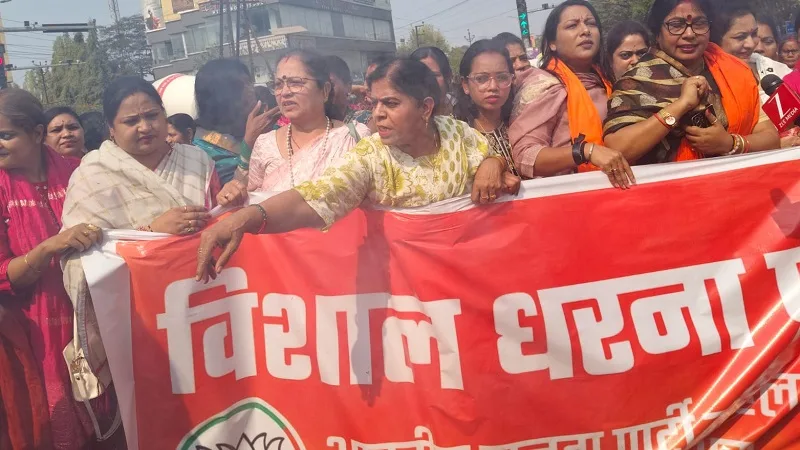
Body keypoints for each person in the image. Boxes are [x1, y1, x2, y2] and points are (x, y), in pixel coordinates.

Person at [195, 58, 521, 281]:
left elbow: (492, 158)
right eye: (374, 103)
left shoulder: (457, 133)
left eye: (390, 103)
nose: (377, 114)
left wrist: (493, 164)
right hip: (410, 293)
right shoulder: (371, 155)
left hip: (473, 277)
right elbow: (315, 196)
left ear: (425, 108)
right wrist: (246, 218)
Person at [60, 77, 221, 438]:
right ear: (111, 128)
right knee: (156, 415)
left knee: (214, 402)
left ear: (165, 115)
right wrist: (150, 231)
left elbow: (218, 218)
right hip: (139, 321)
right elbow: (78, 254)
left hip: (205, 303)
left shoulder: (196, 160)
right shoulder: (92, 176)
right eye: (131, 121)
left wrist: (234, 201)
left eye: (152, 116)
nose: (145, 127)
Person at [0, 89, 107, 449]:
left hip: (94, 314)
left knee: (110, 414)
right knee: (51, 421)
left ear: (36, 133)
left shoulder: (82, 173)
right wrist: (48, 247)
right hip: (32, 331)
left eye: (5, 135)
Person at [604, 0, 779, 165]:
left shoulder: (733, 70)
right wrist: (681, 106)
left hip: (736, 182)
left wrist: (730, 144)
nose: (689, 34)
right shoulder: (637, 81)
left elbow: (771, 139)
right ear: (657, 32)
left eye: (699, 23)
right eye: (676, 25)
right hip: (671, 186)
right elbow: (618, 149)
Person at [508, 0, 634, 188]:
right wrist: (585, 151)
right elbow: (525, 157)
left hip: (621, 191)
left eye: (591, 23)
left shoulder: (611, 80)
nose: (585, 31)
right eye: (572, 25)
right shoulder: (545, 85)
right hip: (569, 196)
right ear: (552, 43)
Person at [217, 50, 369, 200]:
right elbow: (252, 200)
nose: (284, 92)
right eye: (278, 84)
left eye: (295, 83)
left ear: (324, 90)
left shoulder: (354, 138)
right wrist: (233, 193)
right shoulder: (265, 144)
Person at [454, 39, 518, 175]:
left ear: (511, 79)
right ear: (465, 85)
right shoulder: (455, 135)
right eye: (481, 79)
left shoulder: (522, 122)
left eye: (502, 77)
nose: (493, 87)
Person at [192, 59, 258, 184]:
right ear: (219, 96)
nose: (251, 91)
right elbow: (229, 191)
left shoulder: (264, 127)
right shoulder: (200, 150)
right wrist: (248, 144)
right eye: (242, 86)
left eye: (250, 83)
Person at [712, 2, 791, 104]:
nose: (751, 44)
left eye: (754, 34)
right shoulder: (709, 83)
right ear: (717, 40)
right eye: (740, 37)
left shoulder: (779, 70)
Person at [325, 55, 371, 125]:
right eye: (320, 86)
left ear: (348, 85)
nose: (325, 92)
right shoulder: (312, 123)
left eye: (331, 84)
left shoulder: (363, 119)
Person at [410, 46, 454, 115]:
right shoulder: (404, 114)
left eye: (434, 75)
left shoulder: (462, 109)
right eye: (419, 76)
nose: (428, 81)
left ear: (448, 76)